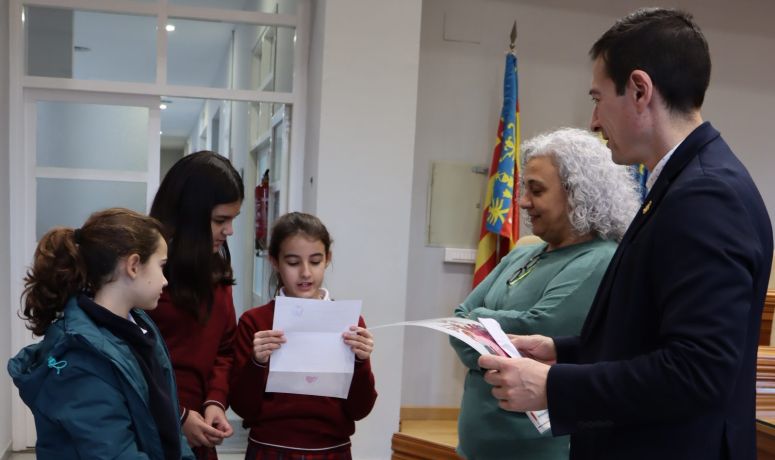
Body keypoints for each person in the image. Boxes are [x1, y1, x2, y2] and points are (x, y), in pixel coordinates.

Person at [479, 8, 773, 460]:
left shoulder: (706, 195)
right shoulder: (681, 183)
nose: (594, 121)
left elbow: (697, 371)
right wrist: (562, 352)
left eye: (598, 99)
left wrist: (555, 386)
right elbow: (646, 332)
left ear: (639, 90)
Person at [450, 128, 640, 460]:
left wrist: (476, 320)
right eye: (524, 189)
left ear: (577, 194)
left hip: (539, 450)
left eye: (536, 190)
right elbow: (457, 323)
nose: (523, 201)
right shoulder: (524, 253)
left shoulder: (601, 259)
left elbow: (538, 330)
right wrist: (481, 325)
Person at [7, 208, 195, 460]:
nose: (165, 280)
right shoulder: (80, 357)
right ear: (133, 265)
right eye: (161, 266)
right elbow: (114, 453)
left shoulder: (139, 326)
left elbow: (167, 425)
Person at [230, 212, 377, 459]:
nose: (306, 273)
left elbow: (360, 409)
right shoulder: (255, 322)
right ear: (275, 261)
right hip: (270, 449)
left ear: (327, 259)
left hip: (331, 449)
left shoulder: (349, 323)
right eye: (293, 262)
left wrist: (361, 361)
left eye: (315, 261)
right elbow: (243, 407)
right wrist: (257, 362)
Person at [148, 151, 244, 459]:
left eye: (232, 219)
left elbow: (225, 350)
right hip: (149, 431)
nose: (229, 231)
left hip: (199, 435)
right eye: (220, 220)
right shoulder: (143, 276)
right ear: (188, 215)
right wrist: (178, 416)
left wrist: (215, 401)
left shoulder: (218, 276)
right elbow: (128, 364)